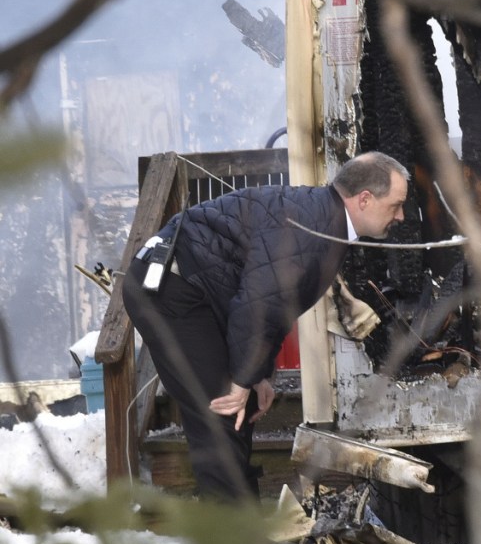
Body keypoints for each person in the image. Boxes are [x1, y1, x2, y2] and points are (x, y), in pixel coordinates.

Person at [122, 151, 409, 501]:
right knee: (220, 414)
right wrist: (243, 378)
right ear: (364, 199)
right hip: (171, 288)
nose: (402, 215)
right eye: (396, 205)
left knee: (234, 415)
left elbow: (274, 305)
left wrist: (259, 374)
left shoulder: (325, 220)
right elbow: (258, 304)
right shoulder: (314, 227)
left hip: (196, 291)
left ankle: (242, 531)